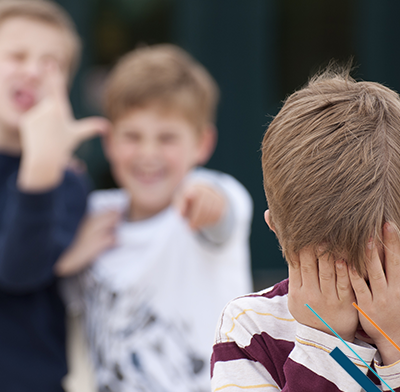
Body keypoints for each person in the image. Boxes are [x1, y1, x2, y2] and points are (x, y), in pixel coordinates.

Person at [57, 44, 253, 392]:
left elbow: (224, 213)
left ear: (202, 143)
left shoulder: (206, 192)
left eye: (167, 138)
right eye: (133, 136)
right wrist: (67, 256)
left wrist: (207, 202)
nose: (148, 154)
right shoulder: (94, 215)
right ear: (109, 142)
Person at [211, 67, 400, 391]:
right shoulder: (250, 328)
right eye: (331, 267)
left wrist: (394, 345)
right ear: (277, 230)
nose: (355, 292)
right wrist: (326, 342)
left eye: (376, 266)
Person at [0, 0, 109, 391]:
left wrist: (44, 163)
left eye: (51, 64)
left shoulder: (68, 181)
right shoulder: (52, 172)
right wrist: (61, 262)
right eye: (17, 55)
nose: (33, 71)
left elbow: (21, 267)